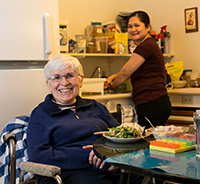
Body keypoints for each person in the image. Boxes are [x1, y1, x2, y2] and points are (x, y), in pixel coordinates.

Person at [27, 55, 143, 184]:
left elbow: (120, 136)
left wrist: (111, 156)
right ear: (49, 84)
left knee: (144, 177)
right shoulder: (41, 114)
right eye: (57, 77)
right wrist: (89, 156)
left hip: (111, 165)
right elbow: (38, 155)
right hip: (70, 171)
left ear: (80, 80)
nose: (64, 82)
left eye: (70, 76)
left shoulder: (95, 106)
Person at [105, 11, 171, 128]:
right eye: (130, 26)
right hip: (155, 102)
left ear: (148, 27)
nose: (133, 29)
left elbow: (126, 72)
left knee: (148, 142)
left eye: (137, 25)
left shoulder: (146, 46)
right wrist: (113, 77)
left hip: (152, 103)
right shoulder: (147, 45)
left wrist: (114, 87)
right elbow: (133, 69)